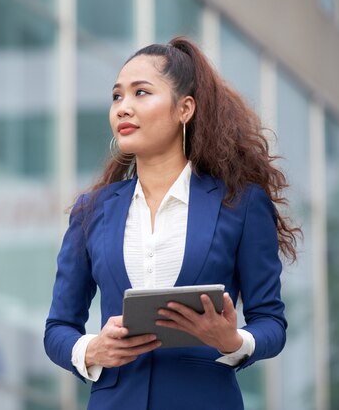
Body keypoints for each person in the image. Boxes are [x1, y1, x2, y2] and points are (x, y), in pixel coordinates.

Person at [44, 36, 300, 410]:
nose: (123, 108)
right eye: (117, 96)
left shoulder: (240, 203)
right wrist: (92, 348)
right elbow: (58, 329)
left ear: (184, 109)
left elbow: (271, 323)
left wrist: (231, 340)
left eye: (141, 93)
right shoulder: (91, 211)